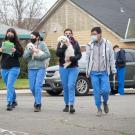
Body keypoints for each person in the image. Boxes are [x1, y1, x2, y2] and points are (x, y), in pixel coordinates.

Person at [86, 27, 116, 117]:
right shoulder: (89, 45)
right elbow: (87, 59)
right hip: (94, 72)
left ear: (100, 34)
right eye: (92, 34)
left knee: (106, 91)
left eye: (94, 34)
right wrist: (87, 71)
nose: (93, 36)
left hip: (104, 72)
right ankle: (99, 108)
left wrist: (113, 70)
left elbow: (111, 58)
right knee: (96, 91)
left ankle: (105, 102)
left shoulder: (108, 43)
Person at [23, 31, 50, 112]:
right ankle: (37, 100)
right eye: (30, 36)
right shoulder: (28, 45)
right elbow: (24, 56)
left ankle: (38, 104)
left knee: (37, 86)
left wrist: (37, 53)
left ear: (37, 37)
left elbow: (47, 54)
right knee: (32, 87)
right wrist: (30, 51)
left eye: (33, 36)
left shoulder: (42, 44)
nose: (31, 38)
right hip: (31, 68)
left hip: (41, 68)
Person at [56, 28, 82, 114]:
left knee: (71, 85)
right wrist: (64, 46)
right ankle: (66, 104)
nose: (67, 34)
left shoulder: (75, 43)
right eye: (66, 33)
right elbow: (58, 54)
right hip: (63, 67)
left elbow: (79, 54)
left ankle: (71, 105)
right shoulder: (60, 43)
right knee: (66, 86)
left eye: (69, 33)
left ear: (71, 34)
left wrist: (74, 58)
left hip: (73, 67)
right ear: (63, 35)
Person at [0, 28, 24, 111]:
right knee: (9, 85)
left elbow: (21, 54)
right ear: (6, 34)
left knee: (9, 85)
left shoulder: (17, 44)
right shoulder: (3, 44)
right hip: (4, 67)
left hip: (14, 67)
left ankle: (9, 103)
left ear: (14, 35)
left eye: (11, 34)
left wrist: (15, 51)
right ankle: (14, 100)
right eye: (8, 34)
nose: (9, 35)